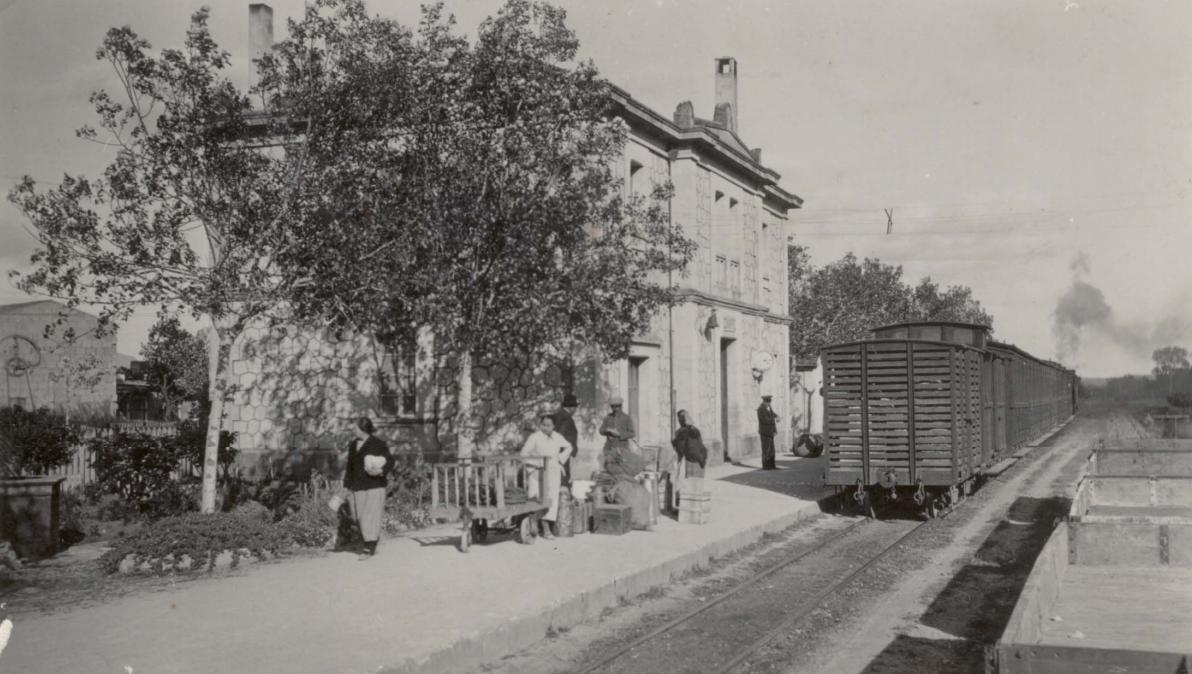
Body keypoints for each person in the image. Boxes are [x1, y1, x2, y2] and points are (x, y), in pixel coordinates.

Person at [342, 416, 392, 559]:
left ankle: (369, 547)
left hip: (374, 485)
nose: (352, 429)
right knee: (358, 516)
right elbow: (349, 467)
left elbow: (390, 461)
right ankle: (371, 540)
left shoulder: (378, 444)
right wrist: (347, 485)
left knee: (370, 517)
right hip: (358, 485)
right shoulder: (353, 445)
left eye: (354, 427)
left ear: (362, 429)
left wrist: (381, 471)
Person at [520, 412, 572, 539]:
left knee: (551, 499)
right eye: (543, 425)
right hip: (537, 473)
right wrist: (538, 462)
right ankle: (533, 525)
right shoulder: (535, 437)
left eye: (548, 425)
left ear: (554, 426)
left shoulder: (557, 437)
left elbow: (569, 447)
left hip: (553, 472)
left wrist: (560, 459)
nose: (545, 428)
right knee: (537, 498)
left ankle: (546, 528)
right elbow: (523, 454)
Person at [551, 394, 580, 486]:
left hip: (557, 451)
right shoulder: (566, 418)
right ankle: (562, 495)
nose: (576, 410)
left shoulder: (558, 415)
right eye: (575, 407)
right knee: (563, 474)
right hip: (563, 452)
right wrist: (569, 449)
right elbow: (561, 435)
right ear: (571, 407)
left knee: (558, 473)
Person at [599, 396, 635, 468]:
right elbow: (601, 430)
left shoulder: (626, 418)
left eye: (617, 407)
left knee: (622, 470)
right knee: (609, 469)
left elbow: (632, 433)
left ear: (621, 406)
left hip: (622, 449)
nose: (615, 409)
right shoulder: (608, 417)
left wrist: (619, 434)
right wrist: (607, 430)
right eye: (613, 407)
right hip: (609, 449)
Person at [672, 409, 708, 478]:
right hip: (700, 460)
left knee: (690, 483)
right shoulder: (695, 429)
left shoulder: (681, 432)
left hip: (690, 461)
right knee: (698, 484)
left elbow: (680, 449)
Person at [757, 394, 779, 470]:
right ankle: (766, 466)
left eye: (770, 402)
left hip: (770, 432)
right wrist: (774, 420)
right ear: (764, 402)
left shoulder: (769, 407)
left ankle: (772, 465)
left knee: (772, 450)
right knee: (766, 449)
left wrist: (777, 416)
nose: (769, 404)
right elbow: (765, 420)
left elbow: (772, 414)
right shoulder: (760, 409)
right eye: (768, 402)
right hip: (764, 432)